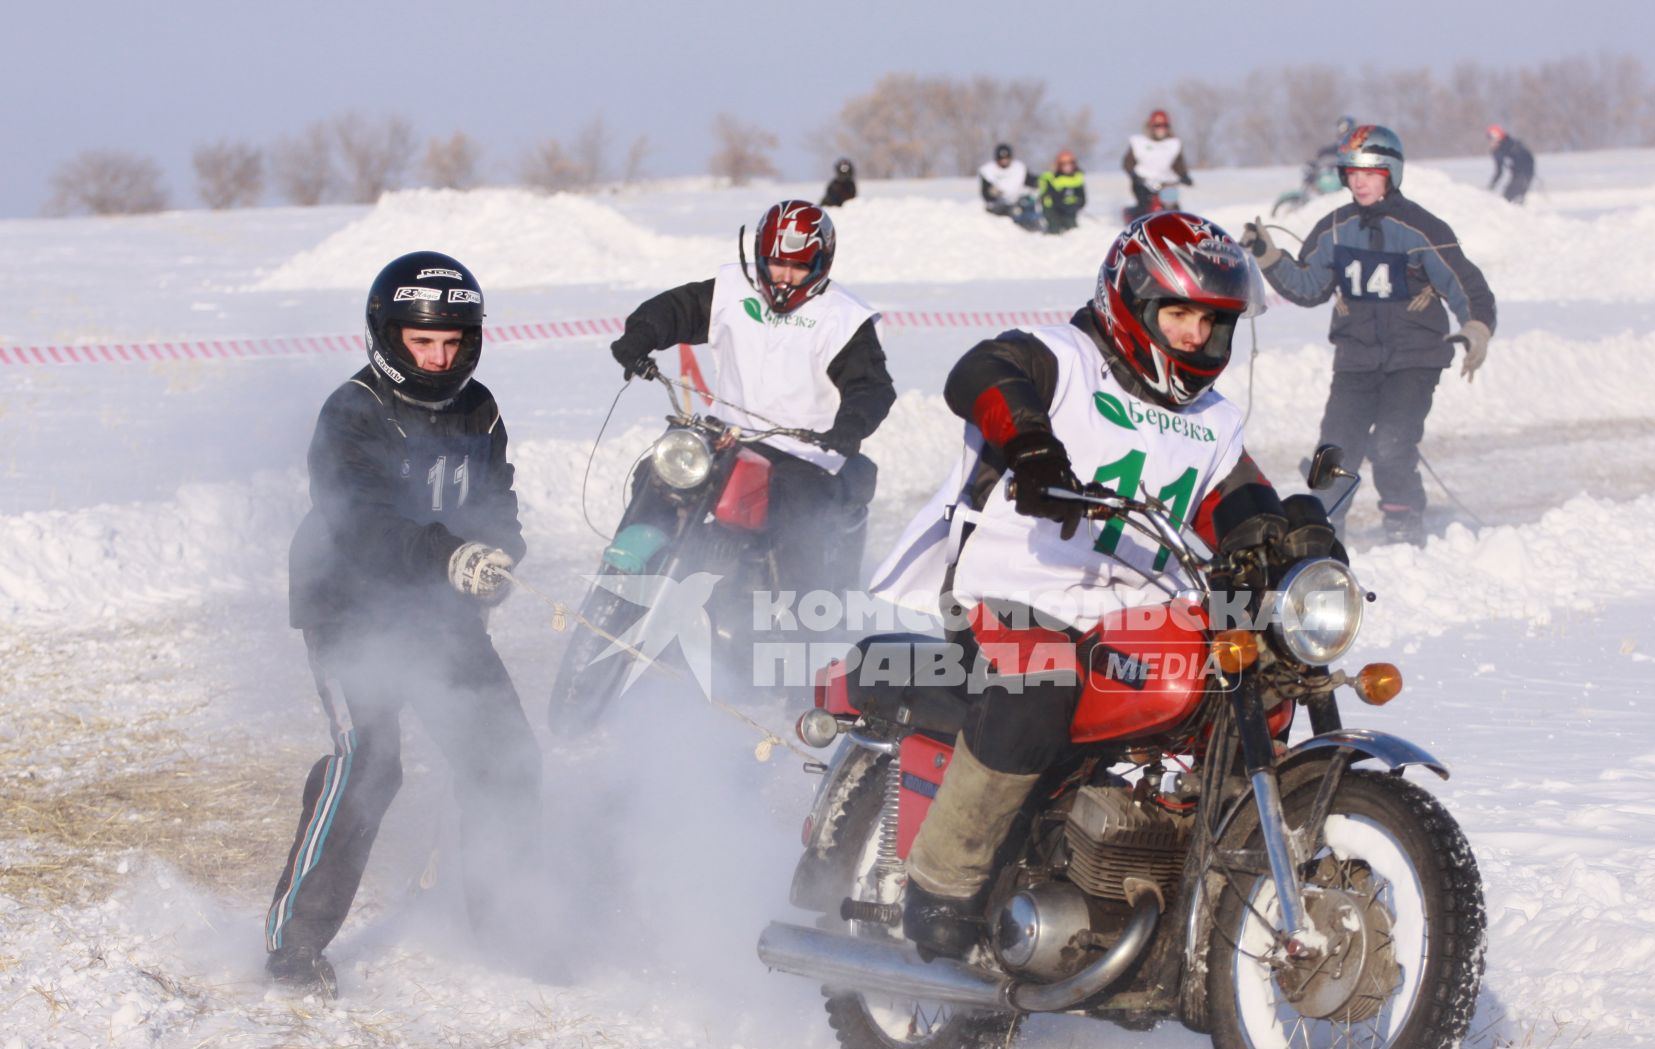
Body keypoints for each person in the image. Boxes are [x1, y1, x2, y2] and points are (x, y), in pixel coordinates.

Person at [867, 212, 1331, 958]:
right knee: (1038, 682)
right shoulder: (1058, 357)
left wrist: (1290, 539)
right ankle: (942, 889)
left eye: (1211, 321)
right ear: (1130, 300)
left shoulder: (1213, 420)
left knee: (1250, 675)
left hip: (1135, 609)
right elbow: (979, 375)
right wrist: (1030, 444)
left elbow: (1237, 502)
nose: (1192, 335)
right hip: (1011, 589)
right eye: (1177, 313)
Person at [267, 251, 543, 995]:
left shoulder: (478, 408)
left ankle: (502, 924)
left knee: (506, 759)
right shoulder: (351, 412)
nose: (439, 357)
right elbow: (360, 524)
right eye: (424, 343)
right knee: (369, 764)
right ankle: (293, 947)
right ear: (387, 337)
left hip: (438, 606)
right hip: (348, 603)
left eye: (453, 342)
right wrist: (448, 552)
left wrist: (497, 554)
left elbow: (499, 500)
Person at [608, 199, 895, 600]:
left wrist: (850, 426)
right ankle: (623, 585)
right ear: (759, 255)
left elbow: (870, 385)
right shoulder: (731, 291)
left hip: (805, 452)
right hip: (729, 437)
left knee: (798, 510)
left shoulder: (843, 319)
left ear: (821, 265)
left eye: (797, 267)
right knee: (660, 474)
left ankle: (801, 622)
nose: (784, 278)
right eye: (777, 264)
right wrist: (640, 336)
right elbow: (677, 309)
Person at [1242, 124, 1497, 545]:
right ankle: (1323, 534)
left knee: (1392, 447)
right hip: (1356, 363)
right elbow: (1309, 288)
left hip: (1415, 359)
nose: (1359, 182)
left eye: (1370, 172)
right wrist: (1268, 256)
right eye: (1352, 173)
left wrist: (1477, 327)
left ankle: (1404, 524)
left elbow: (1466, 284)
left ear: (1391, 173)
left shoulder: (1420, 228)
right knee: (1334, 455)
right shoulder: (1334, 229)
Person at [1122, 109, 1192, 220]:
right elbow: (1128, 163)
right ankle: (1136, 223)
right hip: (1143, 182)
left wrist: (1184, 176)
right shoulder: (1139, 143)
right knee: (1145, 207)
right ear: (1151, 127)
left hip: (1166, 182)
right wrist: (1133, 175)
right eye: (1158, 126)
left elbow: (1178, 164)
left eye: (1164, 126)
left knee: (1173, 209)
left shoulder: (1173, 144)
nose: (1161, 129)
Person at [979, 142, 1038, 219]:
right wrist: (992, 193)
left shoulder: (1019, 168)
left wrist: (1039, 182)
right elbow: (985, 193)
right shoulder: (988, 170)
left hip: (1017, 201)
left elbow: (1031, 181)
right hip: (998, 203)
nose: (1004, 161)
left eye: (1006, 158)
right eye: (1002, 159)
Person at [1036, 149, 1086, 234]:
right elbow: (1055, 198)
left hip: (1069, 209)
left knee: (1072, 228)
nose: (1067, 167)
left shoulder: (1078, 177)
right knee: (1055, 230)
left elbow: (1082, 197)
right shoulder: (1053, 178)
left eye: (1069, 164)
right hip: (1053, 209)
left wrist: (1076, 205)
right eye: (1064, 164)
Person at [1486, 126, 1535, 204]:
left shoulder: (1511, 144)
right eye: (1490, 139)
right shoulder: (1498, 151)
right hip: (1517, 175)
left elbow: (1526, 158)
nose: (1492, 141)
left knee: (1514, 196)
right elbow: (1499, 171)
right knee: (1508, 198)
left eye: (1493, 138)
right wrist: (1492, 186)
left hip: (1525, 173)